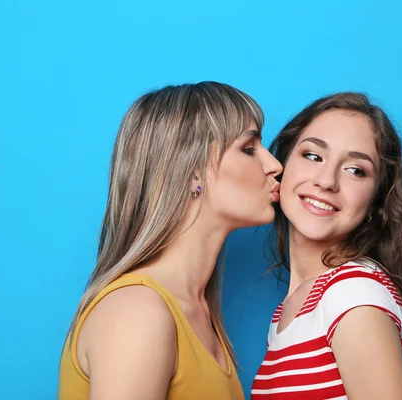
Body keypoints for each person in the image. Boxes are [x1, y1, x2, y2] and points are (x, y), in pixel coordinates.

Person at [58, 81, 282, 400]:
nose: (274, 165)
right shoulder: (138, 312)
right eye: (249, 149)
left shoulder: (195, 309)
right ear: (193, 172)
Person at [252, 92, 402, 399]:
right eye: (313, 156)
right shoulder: (296, 308)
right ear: (282, 165)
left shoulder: (352, 292)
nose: (326, 181)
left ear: (376, 201)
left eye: (356, 170)